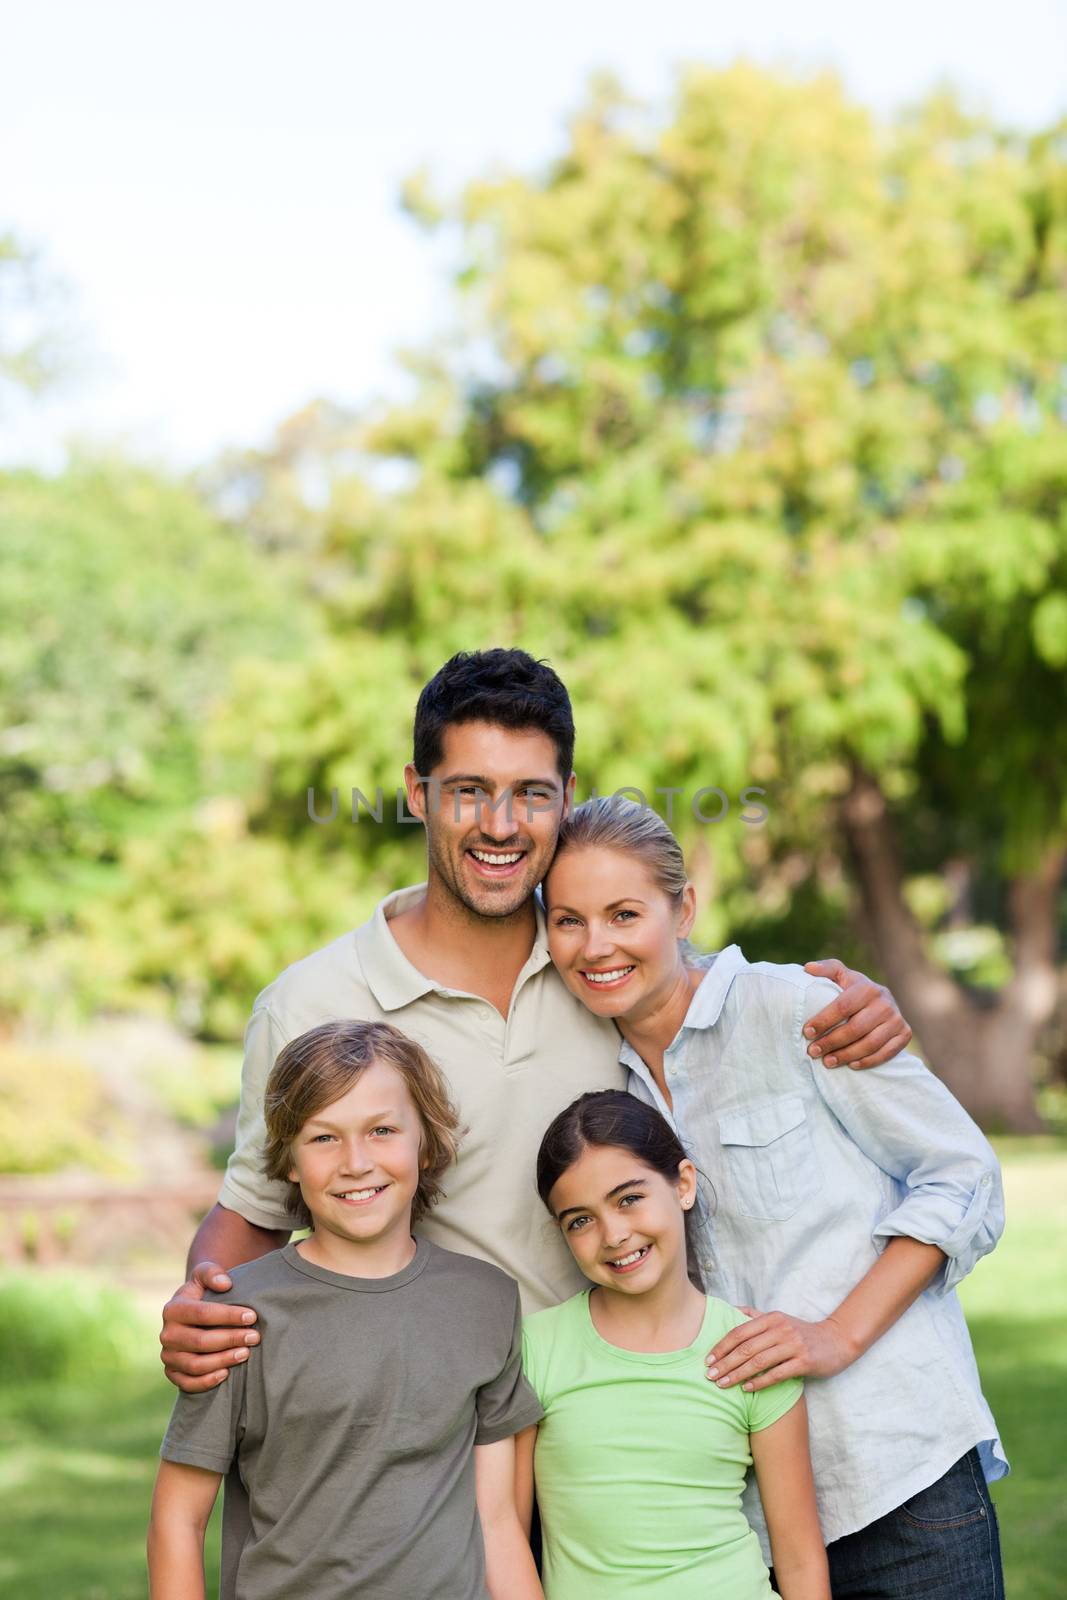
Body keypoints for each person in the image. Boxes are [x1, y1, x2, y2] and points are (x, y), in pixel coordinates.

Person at [160, 649, 912, 1392]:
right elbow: (256, 1210)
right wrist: (201, 1296)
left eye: (529, 793)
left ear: (567, 796)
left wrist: (844, 1000)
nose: (499, 825)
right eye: (467, 791)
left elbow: (727, 1003)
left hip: (631, 1419)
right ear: (416, 794)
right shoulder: (309, 1004)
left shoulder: (605, 967)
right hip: (441, 1434)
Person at [541, 797, 1007, 1600]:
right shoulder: (596, 1084)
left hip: (895, 1471)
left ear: (682, 908)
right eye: (568, 921)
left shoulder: (795, 1011)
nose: (597, 946)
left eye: (624, 913)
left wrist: (836, 1334)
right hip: (744, 1513)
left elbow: (962, 1175)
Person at [147, 1019, 544, 1600]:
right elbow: (178, 1521)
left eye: (382, 1130)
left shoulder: (485, 1300)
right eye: (323, 1137)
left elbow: (498, 1522)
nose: (356, 1162)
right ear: (288, 1160)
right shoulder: (237, 1316)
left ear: (425, 1143)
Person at [519, 1090, 830, 1600]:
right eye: (581, 1220)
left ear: (683, 1185)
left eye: (629, 1199)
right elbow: (505, 1535)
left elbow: (798, 1557)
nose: (614, 1234)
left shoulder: (750, 1349)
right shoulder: (536, 1348)